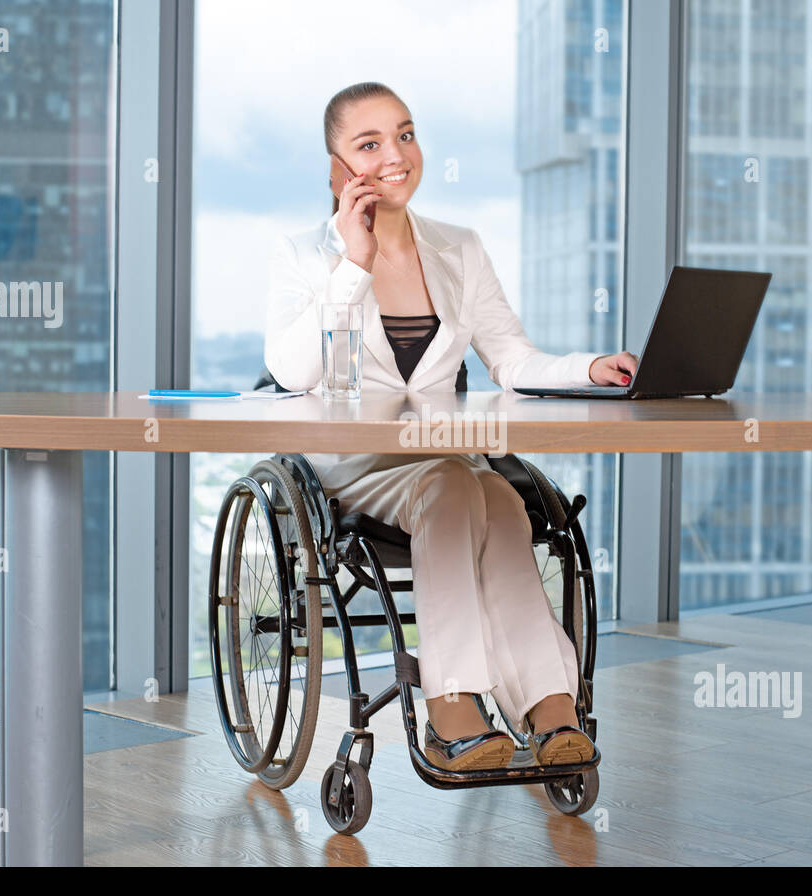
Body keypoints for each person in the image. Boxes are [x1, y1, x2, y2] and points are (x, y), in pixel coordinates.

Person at [264, 81, 637, 772]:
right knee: (460, 489)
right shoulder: (304, 255)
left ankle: (549, 706)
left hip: (441, 460)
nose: (396, 155)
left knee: (495, 495)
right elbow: (293, 374)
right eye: (369, 144)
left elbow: (513, 359)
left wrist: (594, 368)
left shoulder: (459, 249)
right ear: (335, 170)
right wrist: (355, 263)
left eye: (404, 135)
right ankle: (452, 704)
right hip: (355, 464)